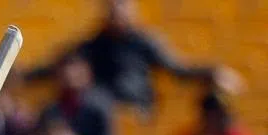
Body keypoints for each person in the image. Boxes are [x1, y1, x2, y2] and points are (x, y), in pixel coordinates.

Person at [26, 0, 242, 116]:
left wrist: (212, 72)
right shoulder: (93, 45)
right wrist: (16, 75)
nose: (116, 11)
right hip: (104, 112)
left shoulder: (145, 42)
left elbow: (177, 70)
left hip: (136, 110)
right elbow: (57, 66)